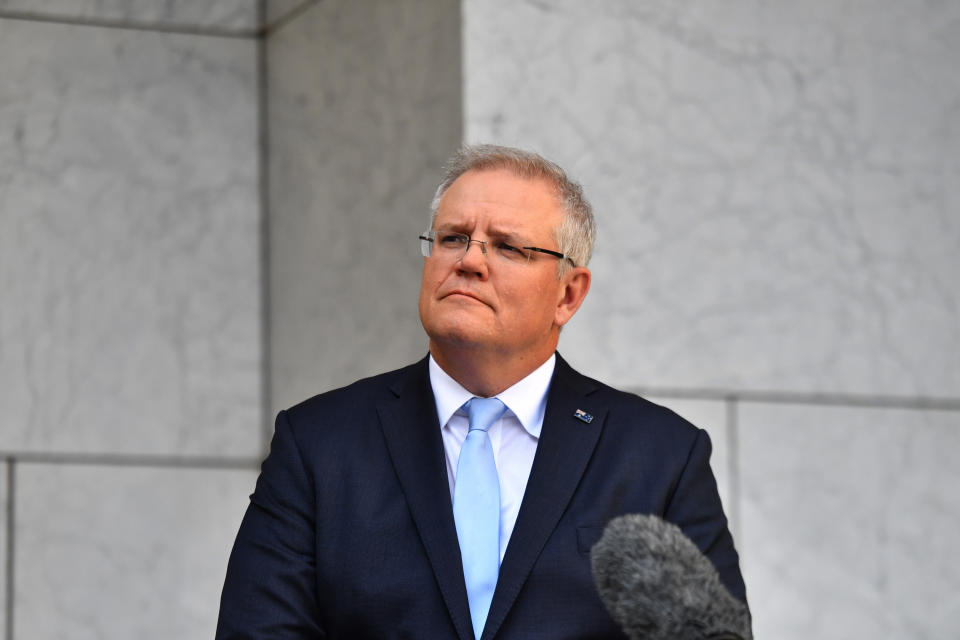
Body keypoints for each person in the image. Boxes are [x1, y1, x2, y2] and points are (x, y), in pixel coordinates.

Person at [216, 144, 747, 639]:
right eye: (452, 238)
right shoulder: (319, 444)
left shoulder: (659, 457)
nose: (469, 260)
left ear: (567, 294)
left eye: (508, 247)